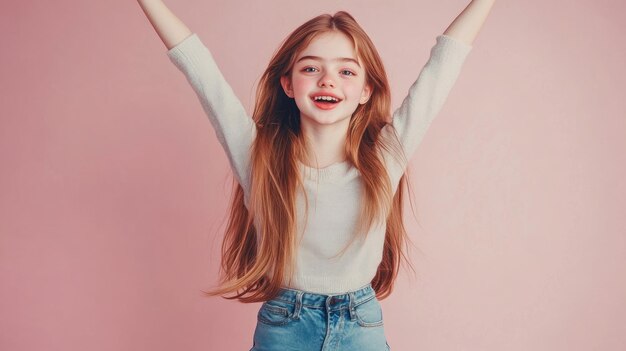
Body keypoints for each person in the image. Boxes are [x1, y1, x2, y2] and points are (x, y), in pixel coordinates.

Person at [137, 1, 494, 349]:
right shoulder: (257, 156)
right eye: (310, 69)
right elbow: (203, 74)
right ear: (288, 85)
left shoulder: (385, 157)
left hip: (361, 326)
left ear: (366, 91)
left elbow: (442, 67)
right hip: (284, 327)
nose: (327, 81)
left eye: (347, 71)